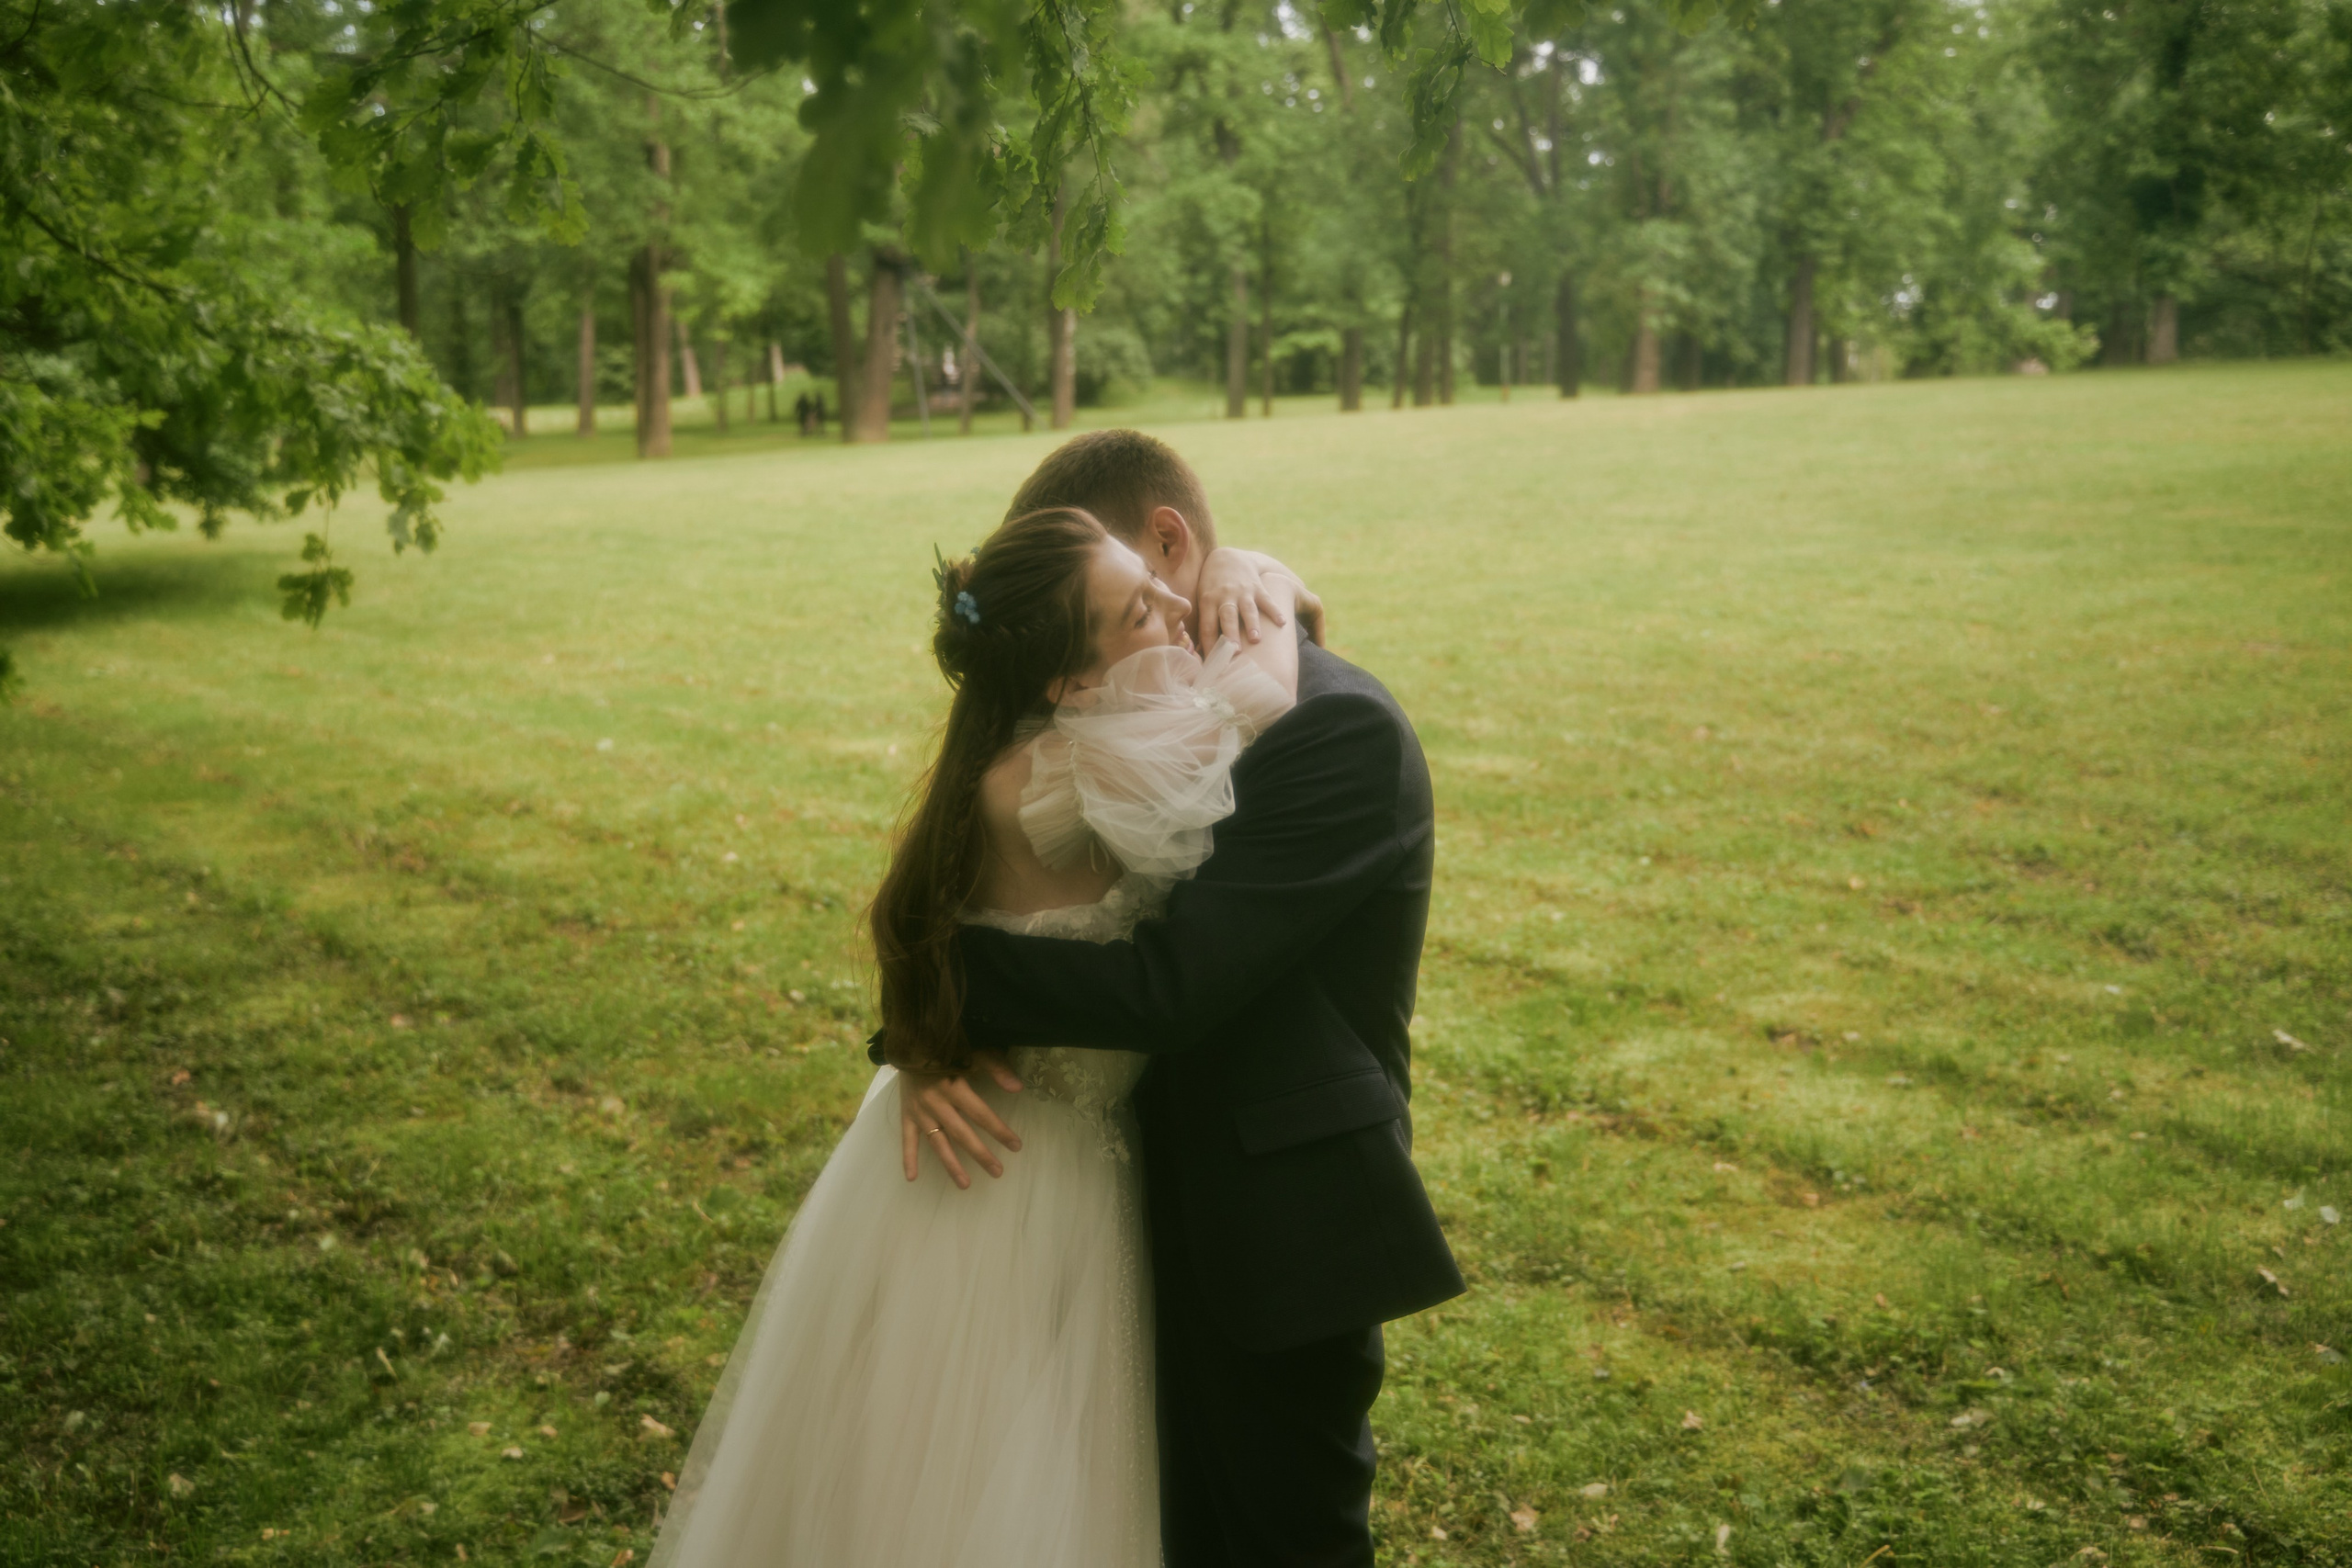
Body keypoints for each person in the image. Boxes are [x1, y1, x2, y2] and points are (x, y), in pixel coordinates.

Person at [648, 502, 1315, 1568]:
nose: (1173, 606)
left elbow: (931, 934)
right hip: (1020, 1167)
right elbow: (1264, 690)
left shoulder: (1027, 752)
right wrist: (1261, 579)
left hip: (996, 1132)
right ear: (1068, 679)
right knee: (970, 1477)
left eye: (1155, 580)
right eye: (1135, 610)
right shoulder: (1068, 778)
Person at [895, 428, 1464, 1567]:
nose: (1146, 609)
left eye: (1145, 583)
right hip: (1103, 1194)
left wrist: (941, 993)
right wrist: (923, 1033)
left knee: (1274, 1535)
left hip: (1268, 1232)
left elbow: (1172, 988)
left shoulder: (1332, 728)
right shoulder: (1119, 689)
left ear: (1165, 543)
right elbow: (990, 853)